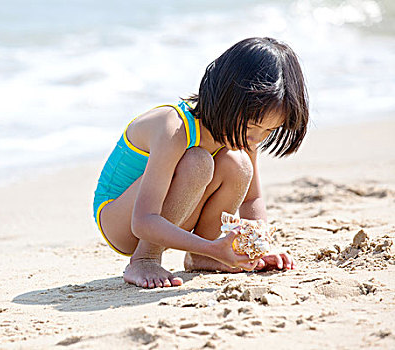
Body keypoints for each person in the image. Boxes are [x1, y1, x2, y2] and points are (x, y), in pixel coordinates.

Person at [93, 37, 309, 288]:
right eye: (253, 127)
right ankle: (145, 257)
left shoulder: (243, 134)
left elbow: (252, 199)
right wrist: (215, 247)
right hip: (122, 220)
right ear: (228, 99)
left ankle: (200, 257)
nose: (257, 139)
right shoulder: (174, 128)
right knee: (198, 162)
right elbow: (143, 220)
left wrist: (255, 249)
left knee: (238, 165)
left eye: (269, 131)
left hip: (166, 217)